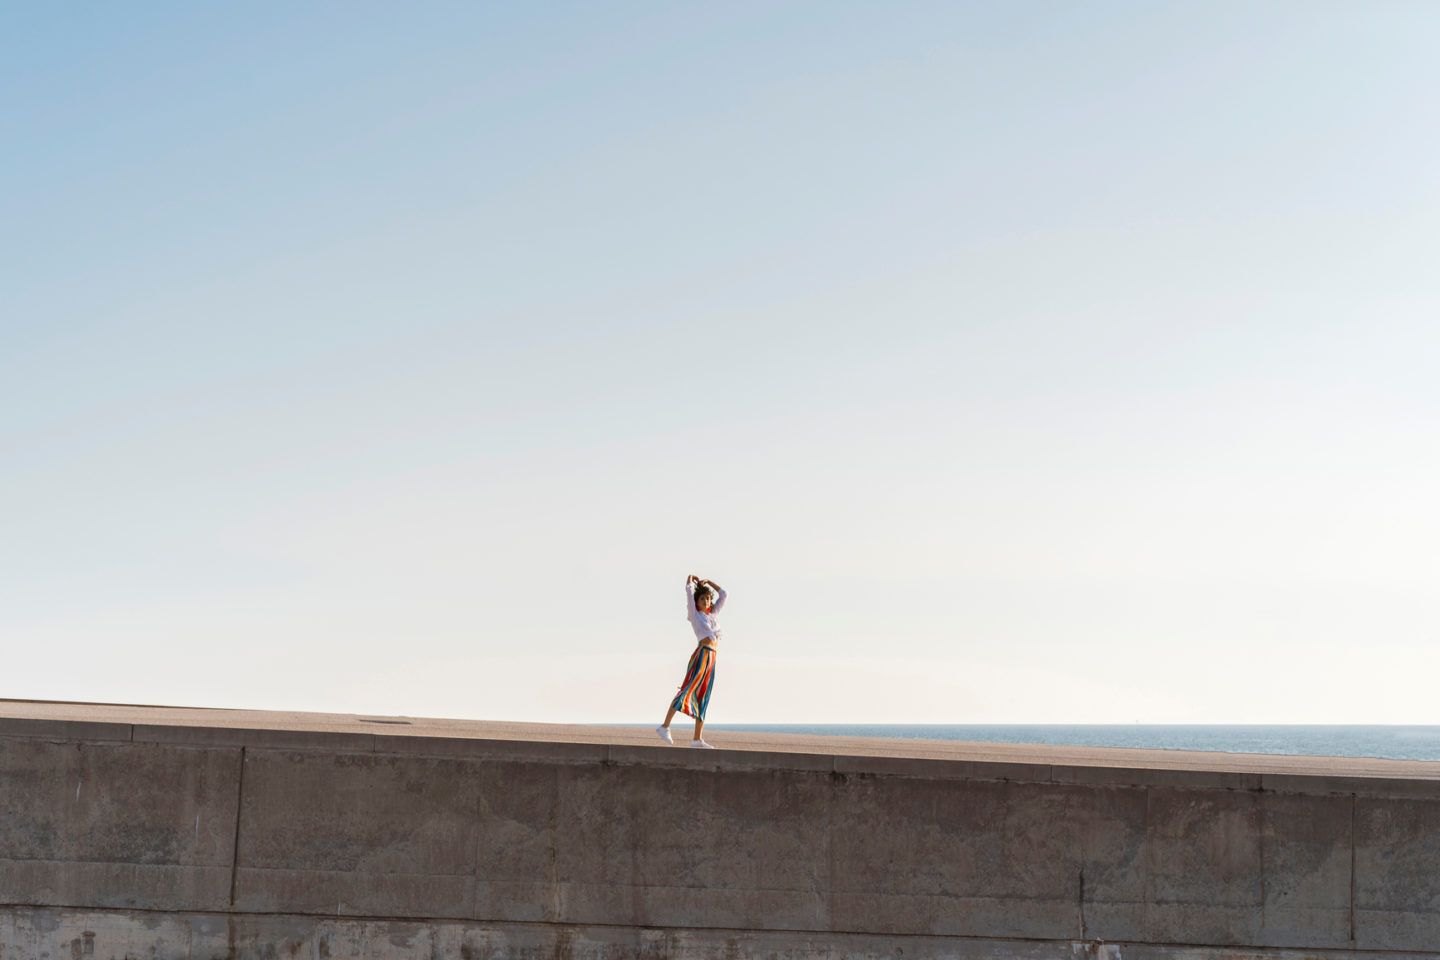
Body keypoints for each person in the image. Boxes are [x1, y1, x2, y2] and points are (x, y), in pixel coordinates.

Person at [657, 573, 726, 748]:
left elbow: (724, 594)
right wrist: (690, 579)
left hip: (712, 658)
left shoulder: (713, 615)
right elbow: (688, 593)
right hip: (702, 655)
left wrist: (709, 582)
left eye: (708, 599)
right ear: (697, 602)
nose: (706, 601)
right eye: (703, 599)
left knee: (704, 695)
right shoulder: (695, 615)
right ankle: (665, 726)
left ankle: (697, 739)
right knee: (687, 689)